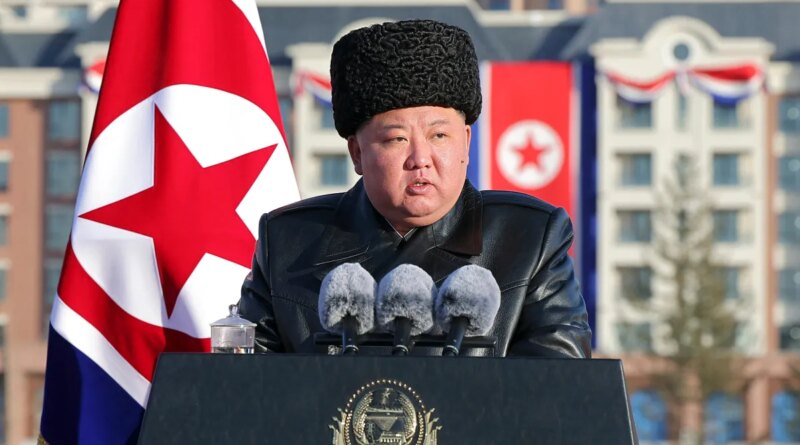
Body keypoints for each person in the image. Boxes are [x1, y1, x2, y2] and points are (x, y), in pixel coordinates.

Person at [238, 19, 591, 357]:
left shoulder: (530, 239)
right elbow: (251, 393)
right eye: (397, 139)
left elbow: (557, 392)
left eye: (439, 135)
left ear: (465, 143)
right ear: (357, 153)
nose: (420, 158)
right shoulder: (288, 243)